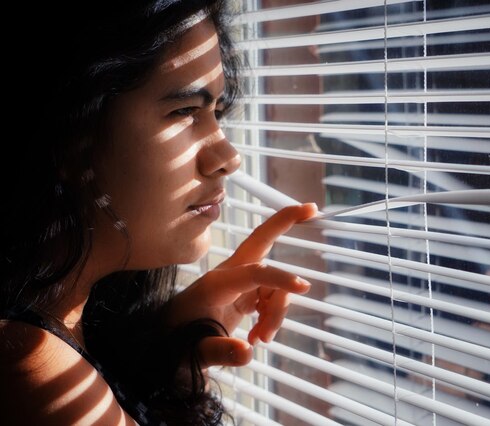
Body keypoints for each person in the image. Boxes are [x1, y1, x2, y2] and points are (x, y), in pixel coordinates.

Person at [0, 1, 317, 425]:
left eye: (216, 113)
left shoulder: (66, 332)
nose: (228, 157)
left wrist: (170, 358)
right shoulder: (30, 364)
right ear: (72, 129)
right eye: (185, 111)